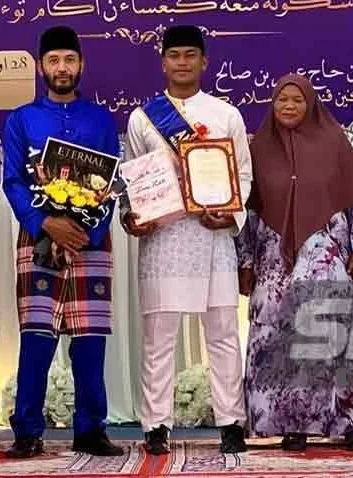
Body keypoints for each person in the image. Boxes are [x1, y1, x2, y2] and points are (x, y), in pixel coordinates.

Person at [122, 24, 251, 455]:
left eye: (190, 55)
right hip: (164, 240)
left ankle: (231, 422)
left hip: (212, 240)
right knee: (159, 338)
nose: (182, 62)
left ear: (203, 61)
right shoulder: (142, 118)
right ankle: (155, 425)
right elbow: (135, 178)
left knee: (223, 333)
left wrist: (230, 213)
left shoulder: (226, 114)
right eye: (174, 55)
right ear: (163, 61)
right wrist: (133, 216)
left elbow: (243, 176)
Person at [236, 74, 353, 452]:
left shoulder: (334, 142)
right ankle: (290, 424)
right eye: (282, 100)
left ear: (310, 103)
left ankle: (348, 424)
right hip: (272, 258)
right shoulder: (258, 149)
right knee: (277, 340)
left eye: (298, 100)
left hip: (325, 252)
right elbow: (247, 212)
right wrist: (245, 260)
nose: (289, 106)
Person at [1, 26, 123, 458]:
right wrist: (44, 224)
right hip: (38, 242)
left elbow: (111, 184)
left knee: (90, 341)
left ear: (81, 65)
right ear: (41, 66)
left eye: (69, 60)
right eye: (53, 60)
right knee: (37, 337)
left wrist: (86, 232)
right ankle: (27, 431)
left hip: (91, 244)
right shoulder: (21, 120)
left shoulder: (101, 119)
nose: (62, 68)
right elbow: (12, 181)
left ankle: (91, 428)